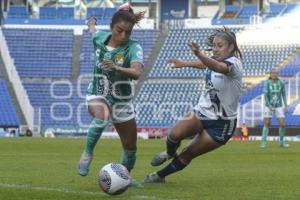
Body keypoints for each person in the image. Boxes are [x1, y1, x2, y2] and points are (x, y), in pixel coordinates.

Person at [144, 27, 243, 183]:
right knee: (174, 134)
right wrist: (184, 63)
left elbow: (218, 67)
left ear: (230, 47)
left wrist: (199, 53)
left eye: (220, 45)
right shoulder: (213, 60)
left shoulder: (234, 64)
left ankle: (159, 176)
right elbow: (206, 64)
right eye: (214, 45)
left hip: (222, 124)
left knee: (188, 153)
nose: (215, 49)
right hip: (202, 112)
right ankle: (169, 153)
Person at [77, 3, 145, 187]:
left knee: (130, 147)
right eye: (119, 30)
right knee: (102, 115)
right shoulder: (100, 37)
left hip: (122, 100)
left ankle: (124, 178)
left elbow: (137, 72)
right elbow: (93, 31)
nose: (123, 36)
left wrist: (116, 67)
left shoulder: (133, 48)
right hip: (97, 93)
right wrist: (90, 23)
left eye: (128, 32)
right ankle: (87, 153)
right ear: (111, 27)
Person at [261, 68, 289, 148]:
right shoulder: (267, 83)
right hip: (268, 106)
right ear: (270, 74)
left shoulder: (281, 83)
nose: (274, 74)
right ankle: (264, 142)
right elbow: (265, 95)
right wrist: (269, 105)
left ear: (278, 74)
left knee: (282, 124)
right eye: (273, 73)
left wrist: (286, 105)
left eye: (276, 73)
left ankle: (281, 142)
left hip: (279, 106)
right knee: (267, 123)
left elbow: (283, 94)